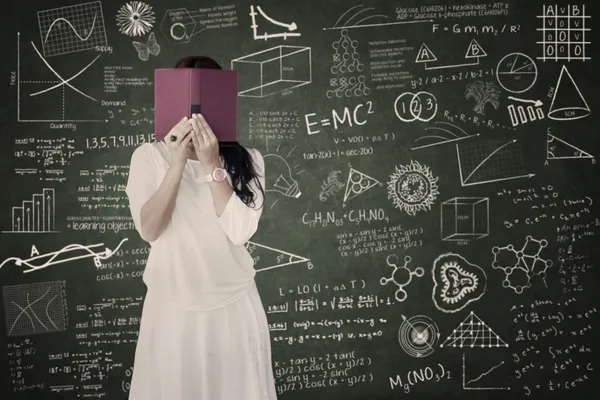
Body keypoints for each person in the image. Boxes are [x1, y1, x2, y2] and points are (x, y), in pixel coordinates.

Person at [125, 56, 278, 399]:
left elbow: (240, 231)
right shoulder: (148, 157)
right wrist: (178, 160)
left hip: (233, 309)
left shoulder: (248, 160)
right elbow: (150, 229)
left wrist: (211, 164)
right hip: (171, 310)